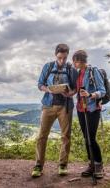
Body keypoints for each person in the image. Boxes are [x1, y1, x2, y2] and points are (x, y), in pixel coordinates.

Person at [32, 44, 78, 177]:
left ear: (67, 55)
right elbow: (40, 84)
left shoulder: (71, 69)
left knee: (66, 136)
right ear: (55, 55)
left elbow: (75, 88)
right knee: (42, 135)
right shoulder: (47, 67)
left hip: (65, 106)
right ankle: (38, 166)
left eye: (64, 58)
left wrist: (70, 93)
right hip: (48, 105)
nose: (62, 60)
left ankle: (63, 165)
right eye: (60, 57)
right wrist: (49, 89)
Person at [73, 50, 105, 179]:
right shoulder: (78, 73)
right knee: (87, 138)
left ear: (79, 60)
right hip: (81, 109)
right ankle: (91, 164)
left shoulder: (93, 71)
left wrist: (90, 95)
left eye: (74, 61)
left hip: (92, 109)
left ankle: (98, 165)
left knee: (91, 138)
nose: (73, 63)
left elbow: (102, 91)